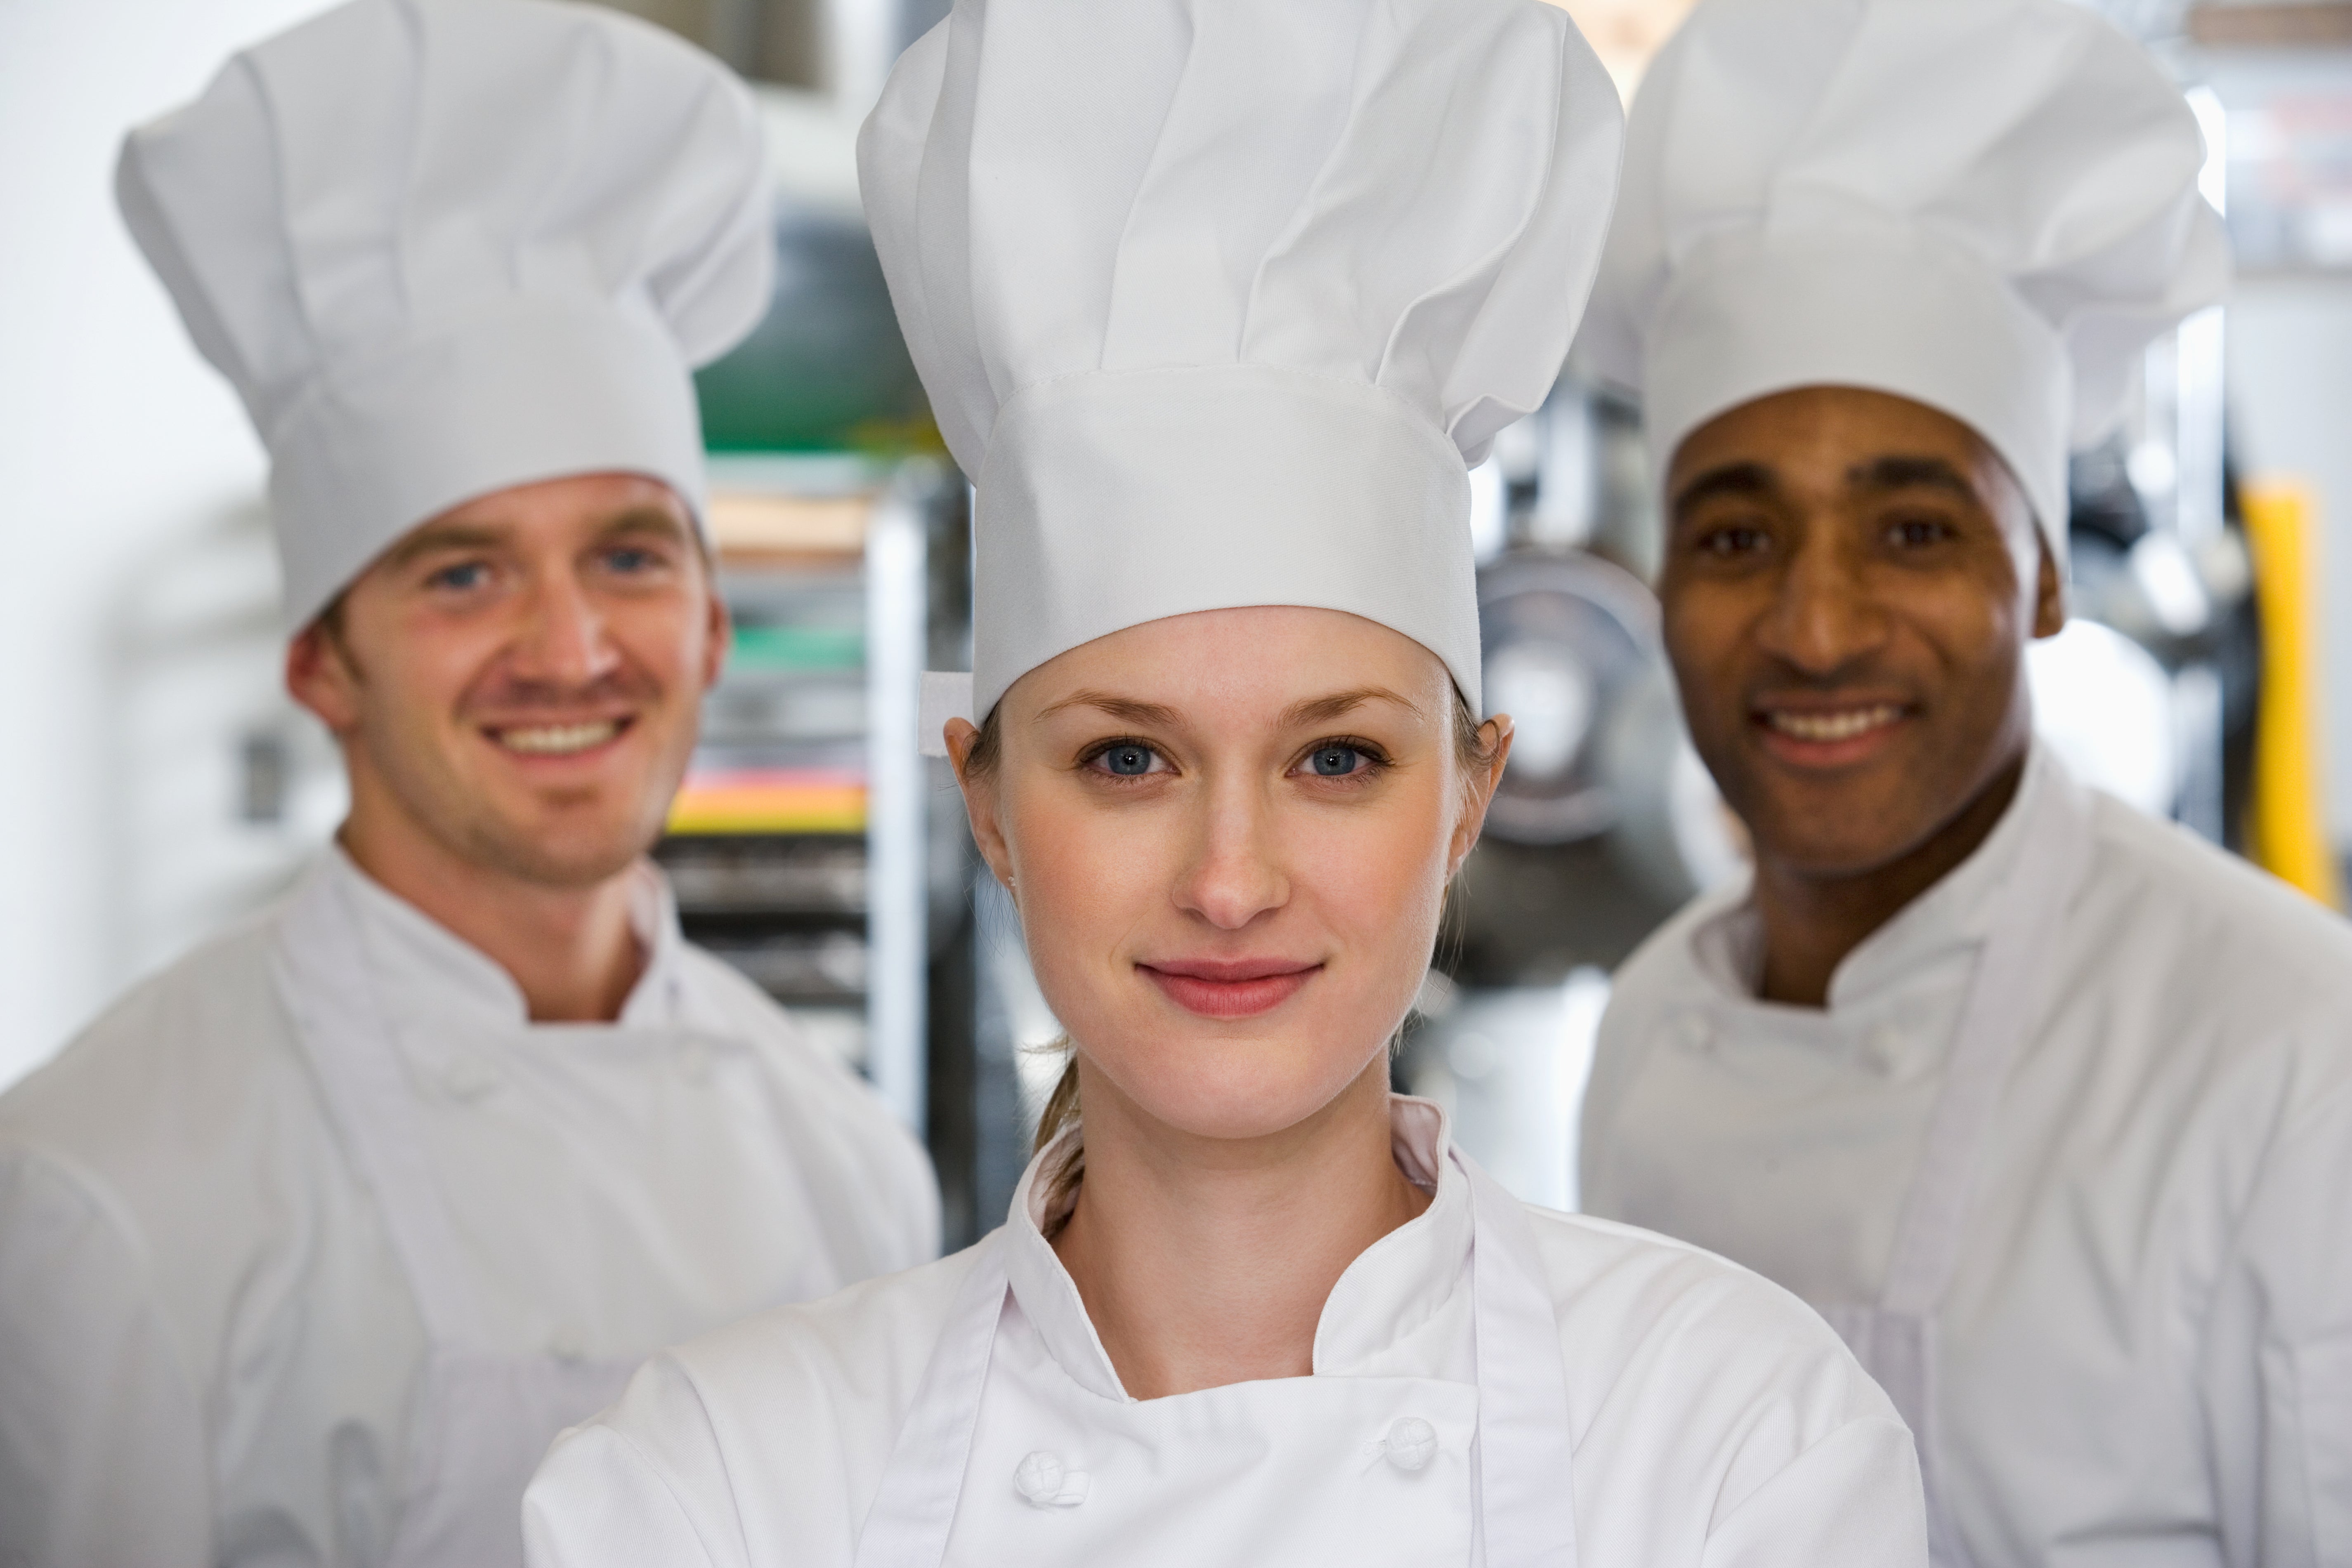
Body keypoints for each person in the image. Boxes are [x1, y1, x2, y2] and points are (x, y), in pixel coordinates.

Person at [520, 0, 1931, 1563]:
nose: (1231, 876)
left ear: (1467, 800)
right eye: (1127, 759)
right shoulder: (718, 1483)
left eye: (1337, 758)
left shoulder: (1729, 1438)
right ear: (986, 805)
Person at [0, 2, 938, 1563]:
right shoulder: (101, 1190)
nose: (569, 649)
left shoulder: (847, 1170)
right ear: (319, 660)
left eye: (629, 555)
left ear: (710, 622)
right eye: (462, 573)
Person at [1575, 1, 2352, 1563]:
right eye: (1734, 536)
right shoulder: (1650, 1031)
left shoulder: (2289, 1051)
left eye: (1914, 529)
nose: (1813, 624)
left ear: (2047, 571)